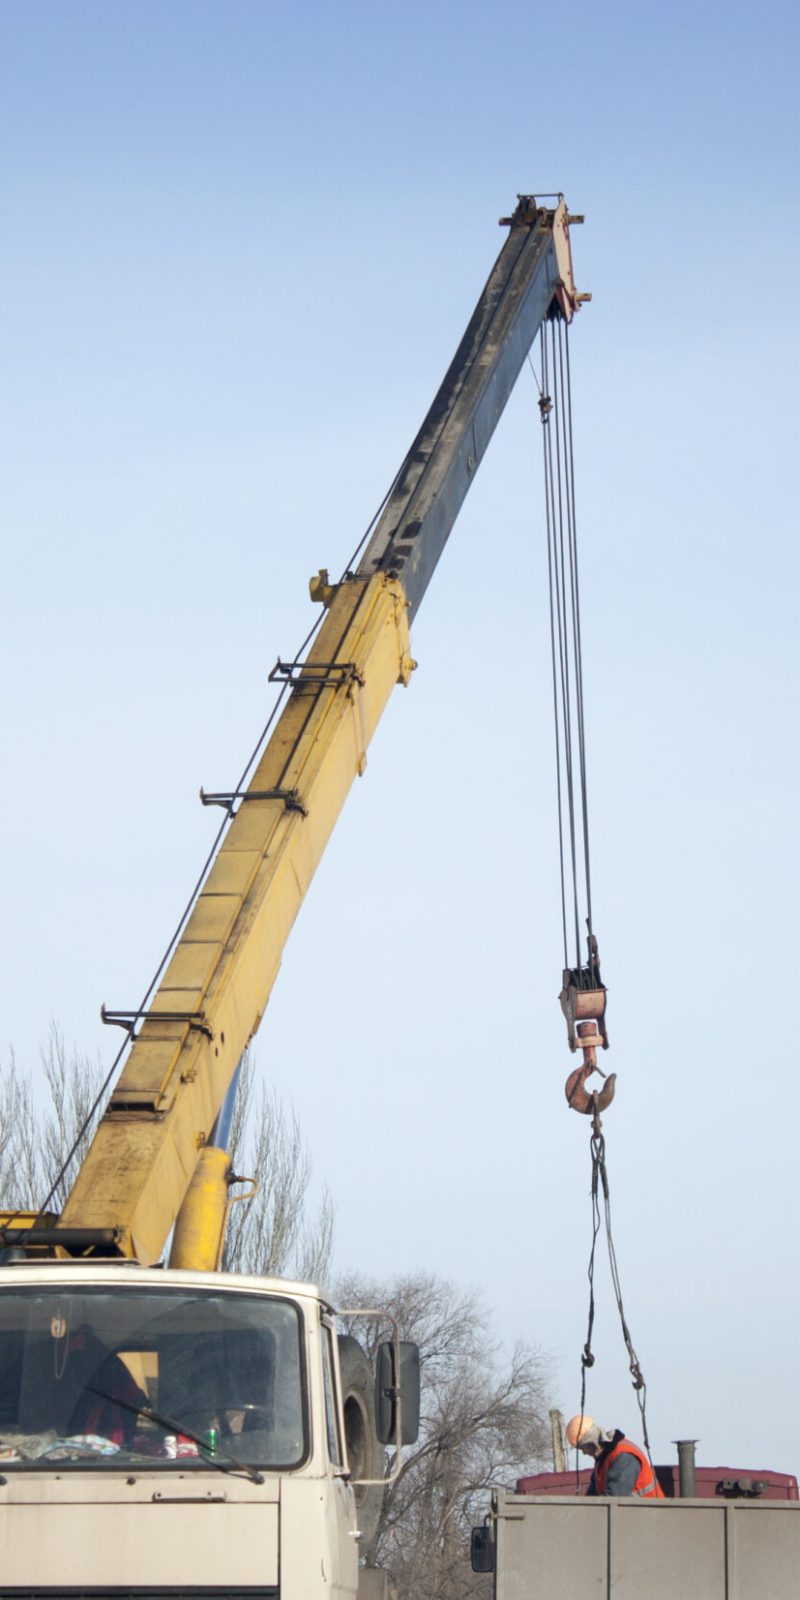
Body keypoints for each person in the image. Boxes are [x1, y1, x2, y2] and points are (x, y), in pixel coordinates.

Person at [565, 1413, 664, 1498]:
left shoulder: (624, 1456)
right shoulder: (602, 1461)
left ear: (591, 1441)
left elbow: (615, 1498)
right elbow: (592, 1499)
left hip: (650, 1516)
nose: (584, 1453)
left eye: (583, 1447)